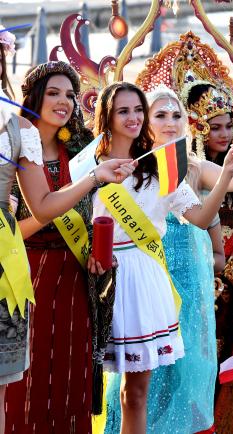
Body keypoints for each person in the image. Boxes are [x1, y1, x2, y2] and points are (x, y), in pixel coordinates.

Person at [100, 85, 233, 434]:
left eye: (176, 116)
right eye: (160, 115)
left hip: (189, 285)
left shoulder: (186, 168)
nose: (169, 123)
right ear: (144, 122)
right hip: (142, 279)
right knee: (137, 385)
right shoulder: (122, 167)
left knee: (187, 375)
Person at [0, 29, 134, 434]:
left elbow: (94, 210)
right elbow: (30, 217)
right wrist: (87, 182)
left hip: (74, 278)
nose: (64, 101)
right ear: (35, 96)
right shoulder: (18, 135)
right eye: (54, 92)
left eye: (70, 95)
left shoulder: (79, 147)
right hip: (28, 271)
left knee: (69, 372)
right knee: (25, 379)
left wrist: (96, 246)